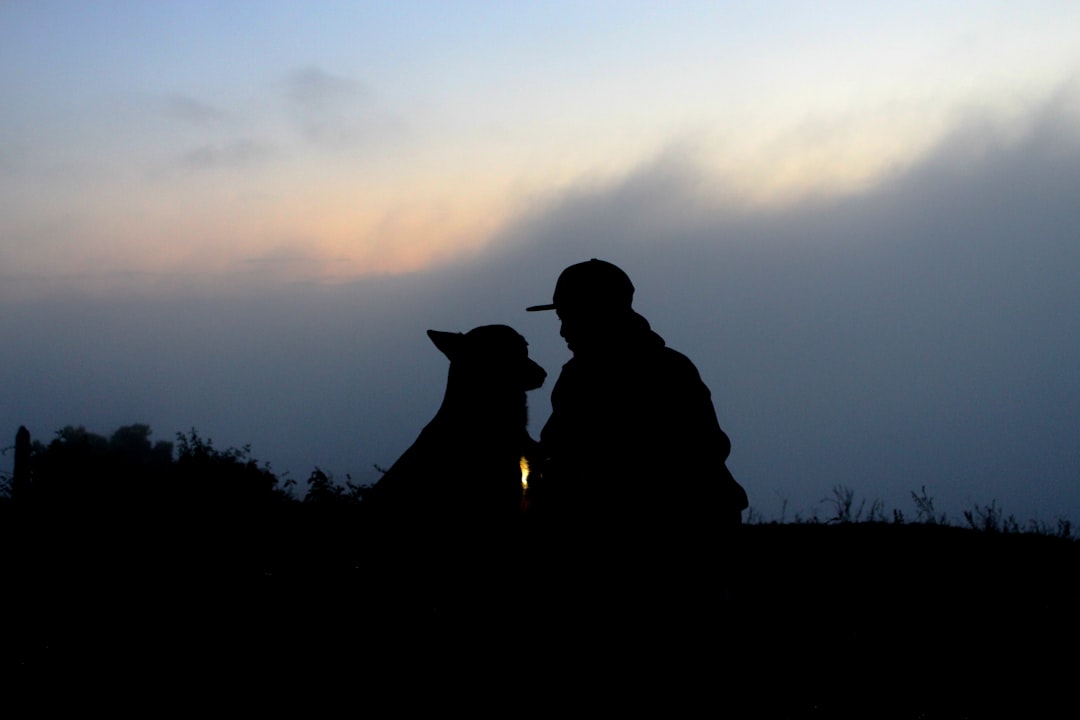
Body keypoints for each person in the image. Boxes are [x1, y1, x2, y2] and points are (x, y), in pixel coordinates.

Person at [526, 259, 747, 537]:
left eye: (571, 317)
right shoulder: (583, 374)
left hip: (677, 525)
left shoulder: (658, 372)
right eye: (562, 318)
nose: (563, 331)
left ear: (600, 314)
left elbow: (702, 450)